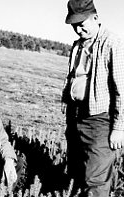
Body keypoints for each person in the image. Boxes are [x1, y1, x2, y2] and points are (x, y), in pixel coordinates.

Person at [61, 0, 124, 196]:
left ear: (95, 18)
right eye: (74, 25)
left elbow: (122, 89)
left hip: (100, 120)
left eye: (82, 24)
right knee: (77, 171)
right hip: (76, 115)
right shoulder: (78, 45)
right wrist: (66, 101)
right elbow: (73, 76)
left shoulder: (113, 43)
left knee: (95, 180)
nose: (78, 29)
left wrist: (119, 127)